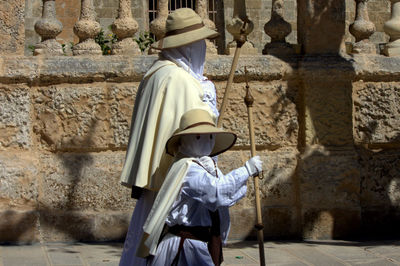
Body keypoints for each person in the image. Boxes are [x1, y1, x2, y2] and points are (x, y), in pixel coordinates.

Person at [119, 8, 220, 266]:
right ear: (188, 45)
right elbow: (196, 131)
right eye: (199, 43)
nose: (203, 49)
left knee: (145, 236)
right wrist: (208, 101)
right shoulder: (180, 80)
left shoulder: (157, 72)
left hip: (159, 180)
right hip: (177, 186)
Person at [137, 109, 263, 266]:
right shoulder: (187, 168)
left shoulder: (206, 166)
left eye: (210, 136)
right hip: (186, 247)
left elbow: (226, 197)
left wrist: (247, 174)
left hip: (202, 243)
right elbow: (217, 192)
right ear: (184, 140)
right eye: (198, 136)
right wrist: (246, 171)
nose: (206, 140)